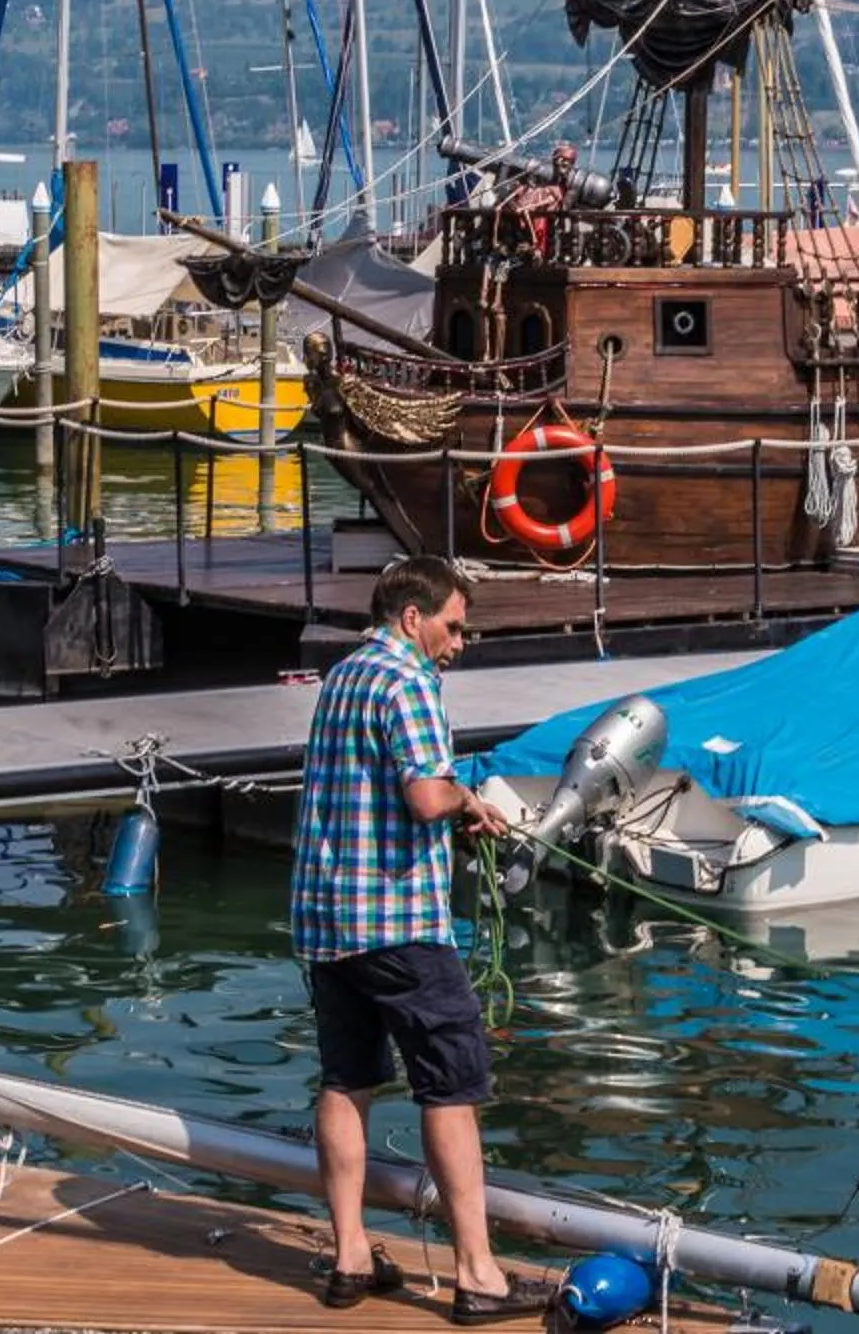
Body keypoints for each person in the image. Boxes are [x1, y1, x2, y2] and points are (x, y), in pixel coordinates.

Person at [289, 555, 551, 1323]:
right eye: (454, 626)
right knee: (453, 1085)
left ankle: (349, 1257)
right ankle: (478, 1276)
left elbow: (371, 790)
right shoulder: (410, 681)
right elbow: (425, 795)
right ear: (413, 618)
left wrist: (449, 804)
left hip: (328, 916)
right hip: (399, 921)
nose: (459, 643)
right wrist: (465, 799)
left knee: (346, 1080)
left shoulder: (343, 676)